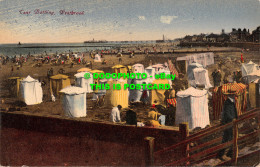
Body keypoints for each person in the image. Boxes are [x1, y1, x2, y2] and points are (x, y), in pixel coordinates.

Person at [218, 90, 238, 161]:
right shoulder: (227, 102)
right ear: (231, 95)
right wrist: (232, 119)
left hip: (231, 123)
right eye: (234, 95)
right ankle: (222, 154)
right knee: (227, 139)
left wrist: (236, 118)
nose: (235, 96)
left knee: (231, 138)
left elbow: (234, 112)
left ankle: (229, 154)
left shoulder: (232, 102)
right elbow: (227, 114)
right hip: (228, 123)